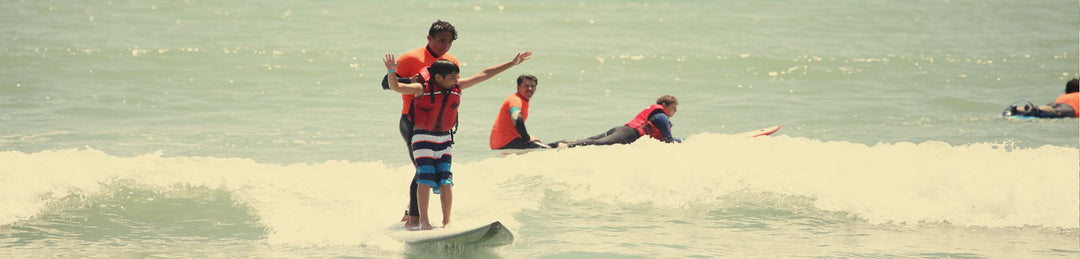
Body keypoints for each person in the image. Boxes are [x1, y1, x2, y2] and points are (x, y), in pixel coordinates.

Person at [383, 51, 533, 230]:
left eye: (457, 77)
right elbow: (396, 87)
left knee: (446, 180)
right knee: (424, 178)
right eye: (452, 77)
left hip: (444, 138)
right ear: (438, 77)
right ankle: (424, 221)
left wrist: (512, 63)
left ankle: (447, 221)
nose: (456, 80)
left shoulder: (457, 87)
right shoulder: (421, 88)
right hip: (422, 137)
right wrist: (391, 72)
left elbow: (485, 74)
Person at [380, 20, 461, 229]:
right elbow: (386, 84)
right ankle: (414, 217)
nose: (445, 45)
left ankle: (421, 215)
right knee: (422, 170)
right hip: (412, 121)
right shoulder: (411, 58)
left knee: (435, 173)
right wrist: (412, 80)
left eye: (449, 42)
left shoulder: (451, 61)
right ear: (429, 38)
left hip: (438, 127)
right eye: (441, 40)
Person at [553, 95, 682, 148]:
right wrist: (683, 142)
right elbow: (668, 140)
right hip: (628, 134)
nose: (675, 111)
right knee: (598, 143)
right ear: (664, 105)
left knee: (590, 140)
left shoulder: (658, 115)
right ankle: (566, 146)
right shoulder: (661, 117)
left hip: (622, 130)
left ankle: (552, 145)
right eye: (673, 108)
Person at [489, 74, 551, 150]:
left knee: (548, 146)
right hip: (506, 143)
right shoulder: (515, 100)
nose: (530, 89)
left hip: (503, 142)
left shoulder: (522, 100)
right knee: (549, 148)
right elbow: (516, 117)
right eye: (526, 86)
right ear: (518, 88)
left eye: (532, 86)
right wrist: (527, 138)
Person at [1004, 78, 1079, 118]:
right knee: (1056, 112)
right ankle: (1036, 109)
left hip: (1056, 103)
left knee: (1050, 108)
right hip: (1071, 108)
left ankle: (1016, 109)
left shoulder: (1064, 96)